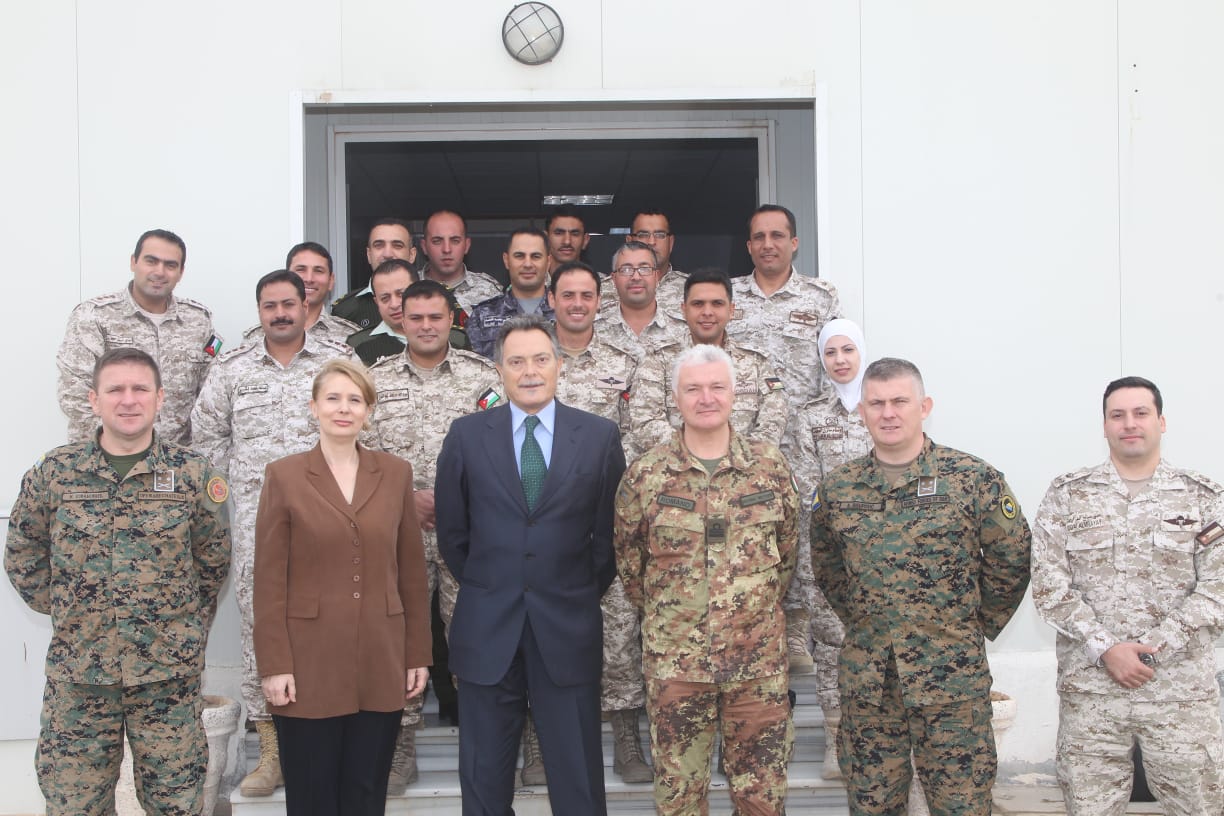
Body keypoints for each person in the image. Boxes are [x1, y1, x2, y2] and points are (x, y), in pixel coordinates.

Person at [6, 347, 230, 815]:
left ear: (160, 398)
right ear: (94, 399)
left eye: (140, 389)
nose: (128, 400)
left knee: (176, 804)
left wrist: (168, 623)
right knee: (74, 805)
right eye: (115, 390)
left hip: (167, 676)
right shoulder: (55, 473)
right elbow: (23, 556)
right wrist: (76, 611)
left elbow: (211, 564)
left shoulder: (192, 475)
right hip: (80, 675)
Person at [810, 357, 1031, 816]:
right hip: (871, 685)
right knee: (872, 806)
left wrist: (967, 626)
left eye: (900, 401)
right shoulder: (838, 489)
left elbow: (1012, 559)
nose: (888, 413)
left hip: (951, 681)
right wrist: (871, 621)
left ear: (924, 407)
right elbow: (829, 569)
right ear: (862, 412)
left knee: (962, 806)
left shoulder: (972, 478)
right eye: (876, 403)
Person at [435, 314, 626, 815]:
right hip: (487, 626)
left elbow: (609, 539)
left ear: (560, 364)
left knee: (577, 774)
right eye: (516, 361)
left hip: (567, 624)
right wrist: (494, 583)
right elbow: (453, 535)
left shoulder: (599, 436)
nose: (530, 371)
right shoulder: (466, 435)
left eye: (541, 359)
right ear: (499, 370)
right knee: (483, 775)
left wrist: (574, 590)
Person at [615, 343, 799, 815]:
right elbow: (632, 568)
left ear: (735, 393)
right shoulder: (647, 475)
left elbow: (787, 555)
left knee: (762, 800)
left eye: (717, 387)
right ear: (675, 398)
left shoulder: (770, 467)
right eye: (693, 389)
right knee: (679, 800)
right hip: (677, 668)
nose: (706, 398)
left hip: (757, 668)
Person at [191, 270, 354, 797]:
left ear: (307, 306)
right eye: (270, 305)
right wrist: (228, 501)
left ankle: (335, 739)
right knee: (262, 627)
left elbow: (360, 426)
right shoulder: (232, 368)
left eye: (289, 303)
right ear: (259, 310)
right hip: (257, 525)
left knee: (335, 621)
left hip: (330, 521)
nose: (280, 313)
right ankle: (271, 752)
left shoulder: (338, 361)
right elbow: (208, 440)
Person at [1030, 376, 1224, 815]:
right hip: (1093, 695)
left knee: (1198, 808)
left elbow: (1217, 589)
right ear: (1104, 426)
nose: (1129, 424)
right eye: (1117, 415)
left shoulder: (1203, 497)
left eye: (1141, 413)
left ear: (1161, 421)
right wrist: (1106, 648)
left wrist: (1151, 650)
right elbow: (1048, 585)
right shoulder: (1068, 495)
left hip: (1179, 696)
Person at [254, 359, 431, 816]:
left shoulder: (395, 473)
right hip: (307, 664)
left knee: (366, 794)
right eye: (333, 398)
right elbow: (269, 580)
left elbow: (412, 573)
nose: (343, 408)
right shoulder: (284, 475)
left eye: (355, 399)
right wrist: (274, 665)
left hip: (380, 658)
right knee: (312, 796)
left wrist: (416, 654)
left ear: (368, 411)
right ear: (314, 406)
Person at [365, 279, 503, 791]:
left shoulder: (482, 377)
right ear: (401, 320)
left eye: (435, 317)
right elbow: (359, 454)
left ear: (452, 320)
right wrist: (406, 498)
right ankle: (400, 744)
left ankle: (483, 742)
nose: (426, 326)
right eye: (416, 317)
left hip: (467, 533)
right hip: (395, 532)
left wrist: (450, 499)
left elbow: (502, 451)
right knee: (397, 637)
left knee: (473, 635)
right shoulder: (374, 380)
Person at [548, 261, 669, 784]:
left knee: (619, 628)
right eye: (567, 295)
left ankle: (626, 736)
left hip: (608, 515)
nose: (577, 304)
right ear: (551, 300)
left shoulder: (627, 362)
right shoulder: (531, 357)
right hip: (543, 521)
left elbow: (638, 436)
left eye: (586, 295)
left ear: (600, 301)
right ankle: (538, 740)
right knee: (543, 629)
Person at [780, 318, 870, 776]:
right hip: (830, 549)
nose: (839, 360)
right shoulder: (811, 415)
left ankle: (873, 739)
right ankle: (836, 742)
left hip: (884, 550)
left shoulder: (882, 404)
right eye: (830, 352)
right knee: (832, 644)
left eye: (847, 350)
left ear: (862, 352)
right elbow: (806, 483)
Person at [56, 228, 222, 445]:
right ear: (133, 262)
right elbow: (75, 395)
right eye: (151, 261)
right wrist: (128, 446)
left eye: (170, 265)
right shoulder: (94, 316)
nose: (160, 272)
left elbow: (212, 393)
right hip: (108, 455)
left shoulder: (199, 320)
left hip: (177, 456)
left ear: (181, 272)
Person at [656, 267, 787, 445]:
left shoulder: (757, 361)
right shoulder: (659, 361)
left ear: (731, 310)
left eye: (717, 304)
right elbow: (647, 421)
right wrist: (697, 452)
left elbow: (774, 420)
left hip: (746, 461)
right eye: (698, 304)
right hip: (676, 461)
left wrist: (735, 455)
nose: (707, 312)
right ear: (684, 310)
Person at [728, 204, 841, 410]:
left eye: (777, 236)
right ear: (749, 246)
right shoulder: (726, 295)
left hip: (799, 425)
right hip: (741, 426)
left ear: (794, 243)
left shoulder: (821, 296)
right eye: (759, 237)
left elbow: (835, 365)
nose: (767, 245)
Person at [242, 242, 358, 345]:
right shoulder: (255, 337)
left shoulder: (351, 335)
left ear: (331, 281)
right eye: (301, 269)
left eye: (318, 271)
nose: (309, 279)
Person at [466, 228, 555, 358]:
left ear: (548, 262)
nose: (528, 264)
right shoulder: (482, 315)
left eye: (536, 256)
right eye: (519, 256)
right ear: (506, 260)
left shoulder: (564, 313)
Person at [596, 241, 686, 360]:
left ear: (656, 276)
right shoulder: (594, 331)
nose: (636, 277)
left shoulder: (684, 332)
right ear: (614, 279)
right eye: (626, 269)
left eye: (644, 269)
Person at [332, 218, 418, 330]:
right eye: (379, 245)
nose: (387, 254)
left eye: (397, 245)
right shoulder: (346, 310)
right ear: (369, 254)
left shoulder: (438, 301)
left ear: (412, 255)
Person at [419, 209, 503, 310]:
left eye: (455, 241)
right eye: (437, 241)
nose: (446, 249)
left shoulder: (489, 290)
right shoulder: (407, 286)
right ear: (424, 247)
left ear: (467, 245)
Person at [346, 259, 418, 365]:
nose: (394, 304)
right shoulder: (357, 345)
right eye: (385, 298)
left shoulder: (442, 336)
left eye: (401, 294)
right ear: (376, 302)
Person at [626, 208, 686, 309]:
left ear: (671, 243)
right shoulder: (603, 290)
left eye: (660, 235)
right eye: (643, 235)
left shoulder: (694, 289)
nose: (651, 242)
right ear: (629, 242)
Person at [545, 204, 590, 271]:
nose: (567, 241)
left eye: (575, 234)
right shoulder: (533, 278)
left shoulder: (597, 278)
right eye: (559, 233)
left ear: (585, 241)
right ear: (545, 239)